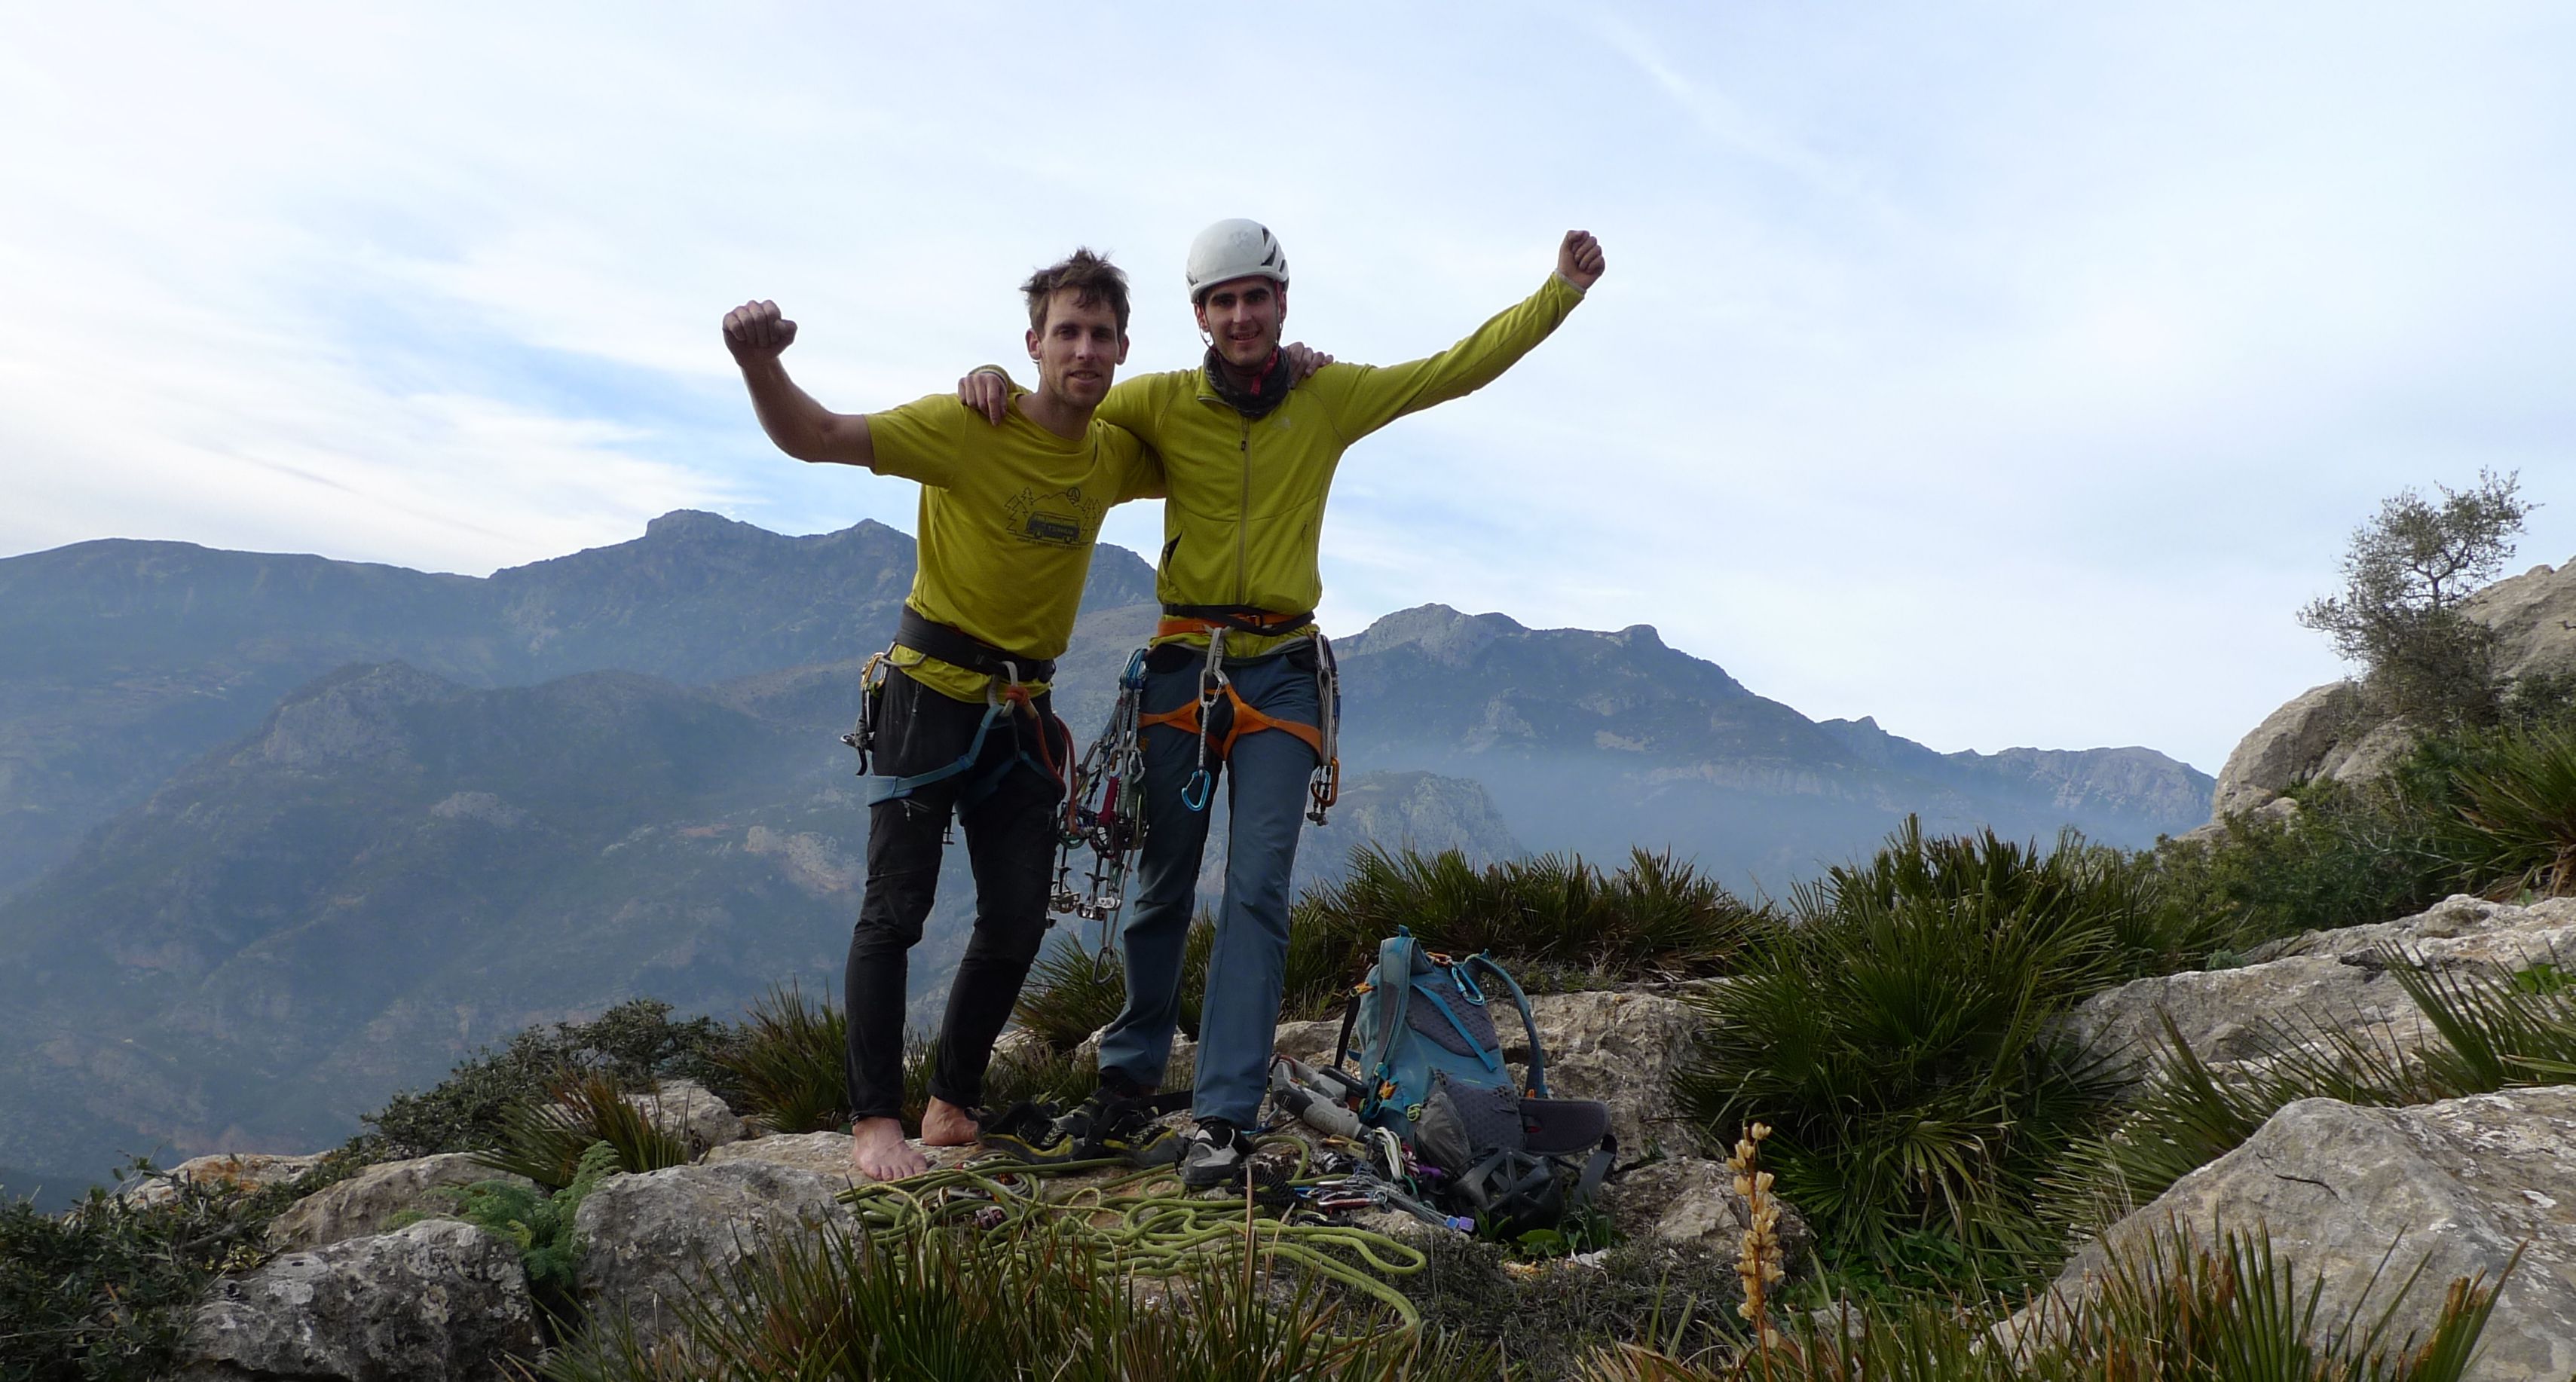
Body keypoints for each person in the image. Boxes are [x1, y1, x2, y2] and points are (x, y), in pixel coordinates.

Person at [962, 221, 1607, 1186]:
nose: (1238, 316)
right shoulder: (1161, 403)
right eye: (1220, 302)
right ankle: (1126, 1088)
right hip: (1187, 664)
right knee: (1161, 887)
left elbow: (1451, 370)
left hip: (1282, 674)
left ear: (1281, 303)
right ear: (1198, 317)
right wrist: (993, 389)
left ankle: (1220, 1116)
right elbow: (1067, 404)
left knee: (1257, 891)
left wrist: (1558, 290)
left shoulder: (1328, 397)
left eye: (1253, 297)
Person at [724, 249, 1162, 1181]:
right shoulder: (966, 424)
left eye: (1099, 334)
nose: (1083, 348)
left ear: (1123, 349)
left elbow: (1216, 427)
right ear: (1033, 342)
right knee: (896, 911)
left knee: (1016, 918)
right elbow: (814, 436)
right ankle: (874, 1122)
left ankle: (952, 1102)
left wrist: (1288, 372)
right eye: (1065, 332)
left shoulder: (1113, 450)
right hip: (927, 692)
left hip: (1023, 709)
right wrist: (760, 364)